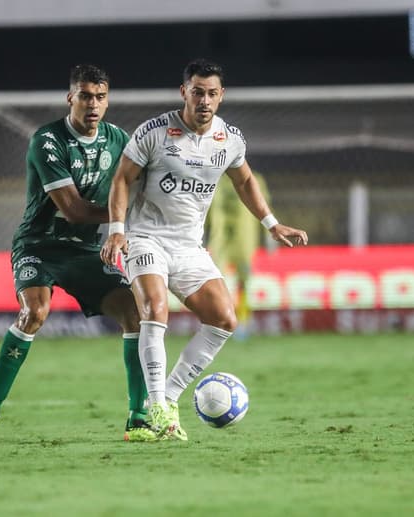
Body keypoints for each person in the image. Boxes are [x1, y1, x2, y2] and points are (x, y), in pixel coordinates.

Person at [100, 59, 308, 440]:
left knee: (224, 319)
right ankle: (158, 408)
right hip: (146, 238)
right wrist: (117, 230)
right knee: (155, 310)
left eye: (212, 93)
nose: (205, 100)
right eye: (197, 92)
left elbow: (244, 181)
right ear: (184, 92)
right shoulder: (154, 132)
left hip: (189, 246)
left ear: (221, 96)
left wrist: (272, 224)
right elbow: (122, 179)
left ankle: (168, 397)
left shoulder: (229, 139)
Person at [0, 64, 156, 442]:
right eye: (85, 96)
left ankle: (138, 418)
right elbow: (75, 210)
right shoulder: (47, 140)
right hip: (39, 244)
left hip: (85, 250)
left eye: (101, 97)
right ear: (71, 98)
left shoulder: (119, 139)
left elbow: (146, 180)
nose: (93, 105)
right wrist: (129, 217)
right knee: (35, 312)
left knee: (135, 313)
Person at [205, 171, 272, 338]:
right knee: (216, 282)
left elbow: (263, 206)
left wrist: (270, 236)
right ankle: (219, 321)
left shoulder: (254, 178)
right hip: (221, 240)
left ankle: (242, 321)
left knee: (243, 283)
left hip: (244, 240)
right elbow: (204, 209)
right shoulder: (213, 178)